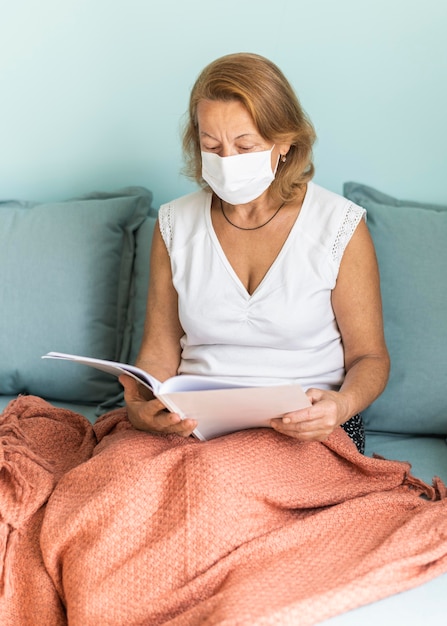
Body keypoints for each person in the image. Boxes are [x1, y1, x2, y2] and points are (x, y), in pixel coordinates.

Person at [120, 52, 390, 454]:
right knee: (111, 485)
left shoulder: (339, 225)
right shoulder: (174, 223)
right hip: (195, 427)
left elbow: (370, 357)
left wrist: (341, 405)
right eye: (212, 145)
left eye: (245, 146)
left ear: (284, 141)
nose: (227, 161)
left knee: (217, 488)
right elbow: (159, 351)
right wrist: (139, 406)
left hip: (305, 429)